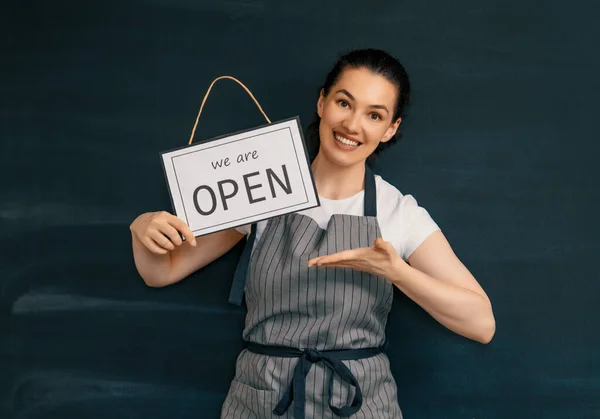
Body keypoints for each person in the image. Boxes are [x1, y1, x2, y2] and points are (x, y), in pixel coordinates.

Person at [129, 48, 496, 418]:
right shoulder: (263, 189)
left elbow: (482, 323)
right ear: (322, 102)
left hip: (359, 406)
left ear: (390, 129)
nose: (353, 125)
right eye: (343, 103)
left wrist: (396, 272)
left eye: (374, 115)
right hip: (261, 401)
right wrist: (141, 228)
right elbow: (162, 271)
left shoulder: (397, 211)